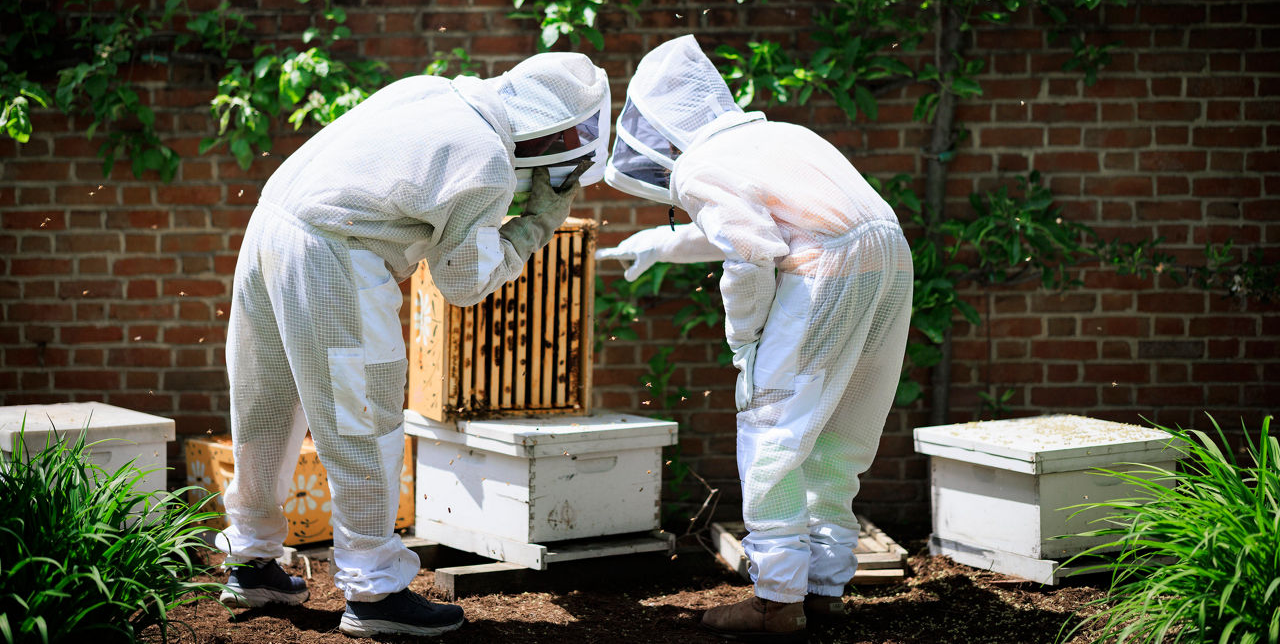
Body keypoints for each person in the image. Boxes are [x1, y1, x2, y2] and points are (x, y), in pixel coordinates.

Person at [218, 52, 610, 639]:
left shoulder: (436, 91)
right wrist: (535, 225)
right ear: (553, 130)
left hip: (271, 226)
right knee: (364, 422)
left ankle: (250, 562)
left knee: (267, 405)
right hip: (334, 255)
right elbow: (465, 282)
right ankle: (374, 591)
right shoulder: (486, 164)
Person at [597, 35, 912, 643]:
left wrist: (747, 342)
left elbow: (749, 253)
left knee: (774, 427)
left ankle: (776, 601)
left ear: (664, 128)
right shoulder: (781, 135)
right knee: (842, 430)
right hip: (888, 257)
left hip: (825, 271)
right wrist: (661, 244)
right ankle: (822, 589)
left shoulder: (698, 164)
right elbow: (780, 223)